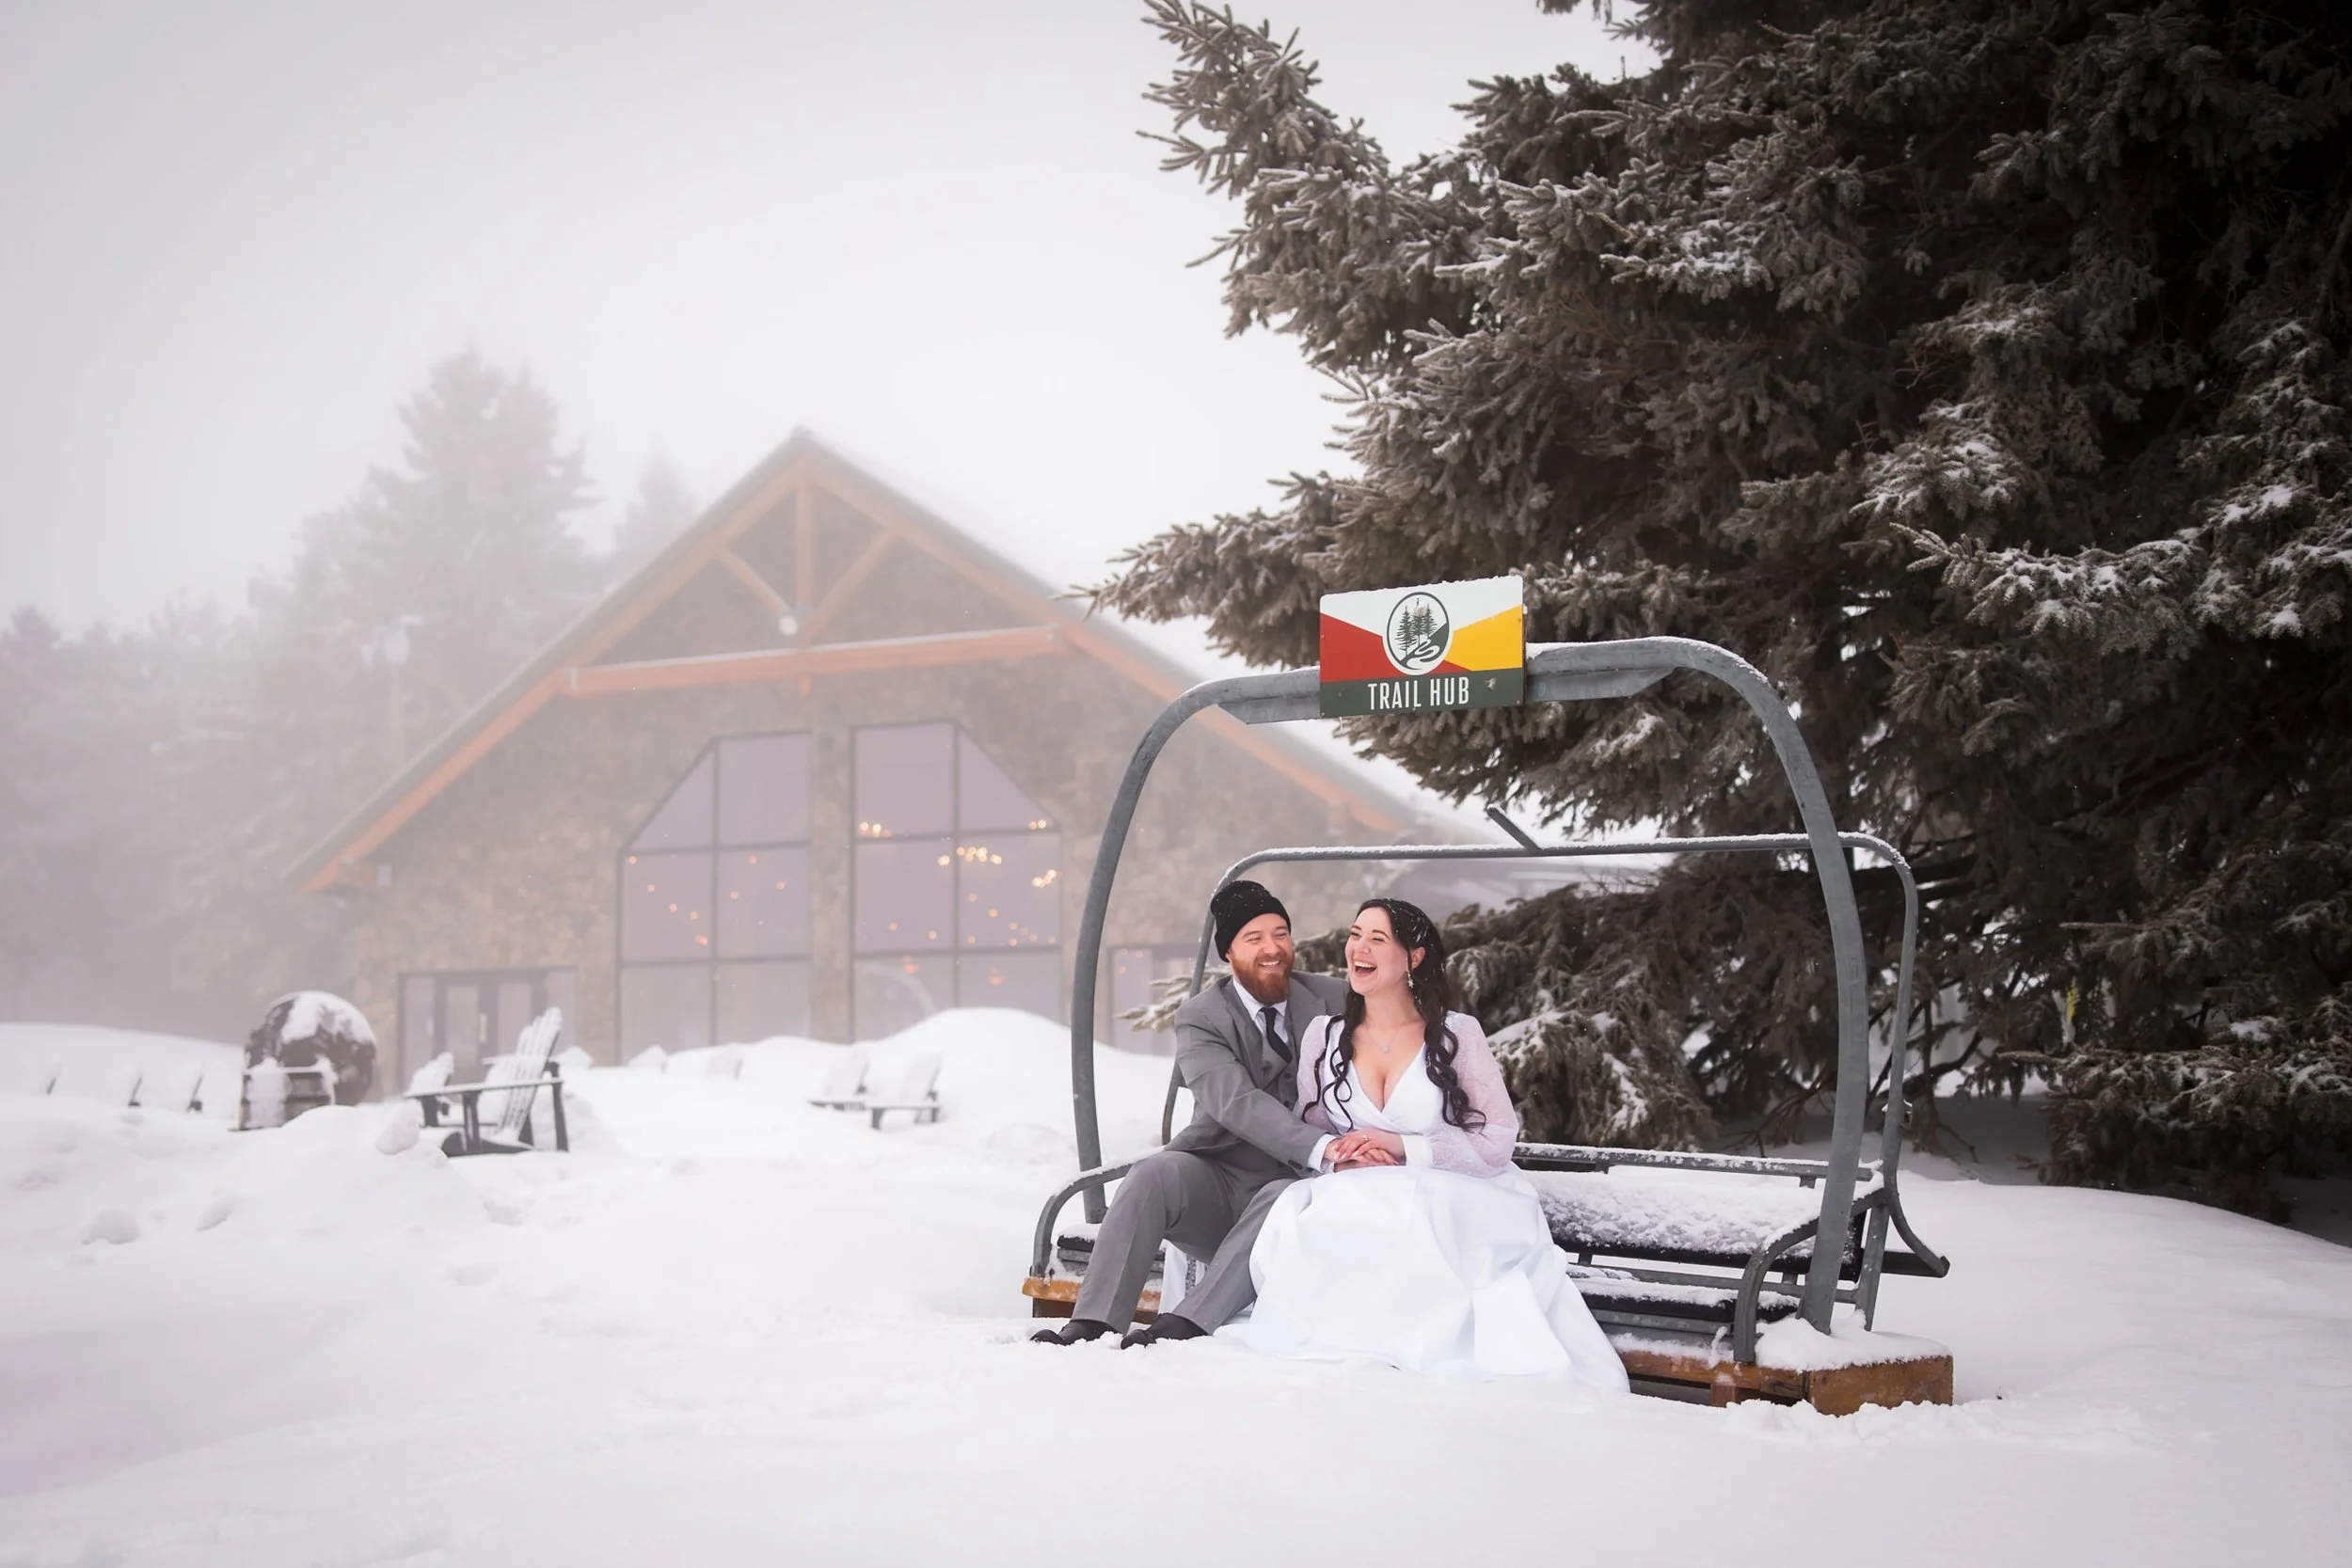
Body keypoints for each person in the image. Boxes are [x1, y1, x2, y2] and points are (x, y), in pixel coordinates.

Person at [1228, 897, 1631, 1387]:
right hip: (1356, 1189)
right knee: (1315, 1215)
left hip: (1453, 1190)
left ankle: (1424, 1348)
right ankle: (1347, 1346)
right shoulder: (1324, 1036)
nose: (1360, 947)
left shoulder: (1456, 1035)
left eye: (1378, 939)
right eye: (1356, 935)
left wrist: (1401, 1147)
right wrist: (1345, 1160)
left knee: (1416, 1212)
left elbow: (1497, 1140)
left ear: (1413, 958)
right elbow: (1312, 1126)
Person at [1031, 879, 1351, 1349]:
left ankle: (1189, 1323)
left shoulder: (1337, 999)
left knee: (1282, 1196)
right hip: (1225, 1181)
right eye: (1254, 938)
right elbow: (1232, 1101)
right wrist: (1323, 1147)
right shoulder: (1203, 1017)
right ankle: (1095, 1321)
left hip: (1308, 1193)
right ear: (1229, 953)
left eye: (1281, 934)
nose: (1272, 949)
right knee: (1154, 1173)